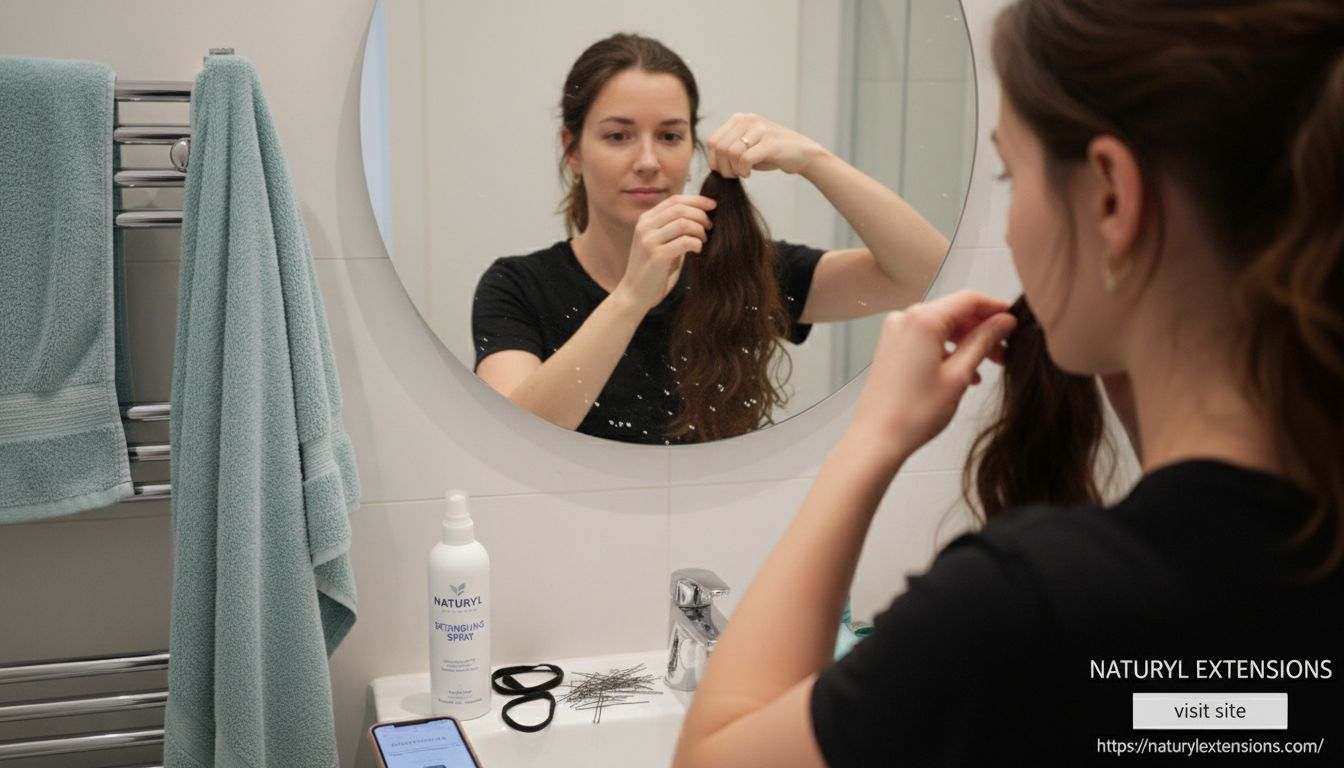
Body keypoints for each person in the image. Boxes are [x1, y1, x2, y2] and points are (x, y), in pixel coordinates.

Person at [672, 0, 1344, 765]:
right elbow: (1243, 714)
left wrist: (870, 442)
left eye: (1010, 173)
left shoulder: (1027, 614)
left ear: (1112, 197)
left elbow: (711, 756)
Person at [471, 33, 948, 443]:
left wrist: (814, 160)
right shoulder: (517, 287)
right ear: (572, 150)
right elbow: (516, 437)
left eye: (670, 136)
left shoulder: (742, 271)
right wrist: (632, 297)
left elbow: (924, 274)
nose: (648, 161)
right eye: (618, 136)